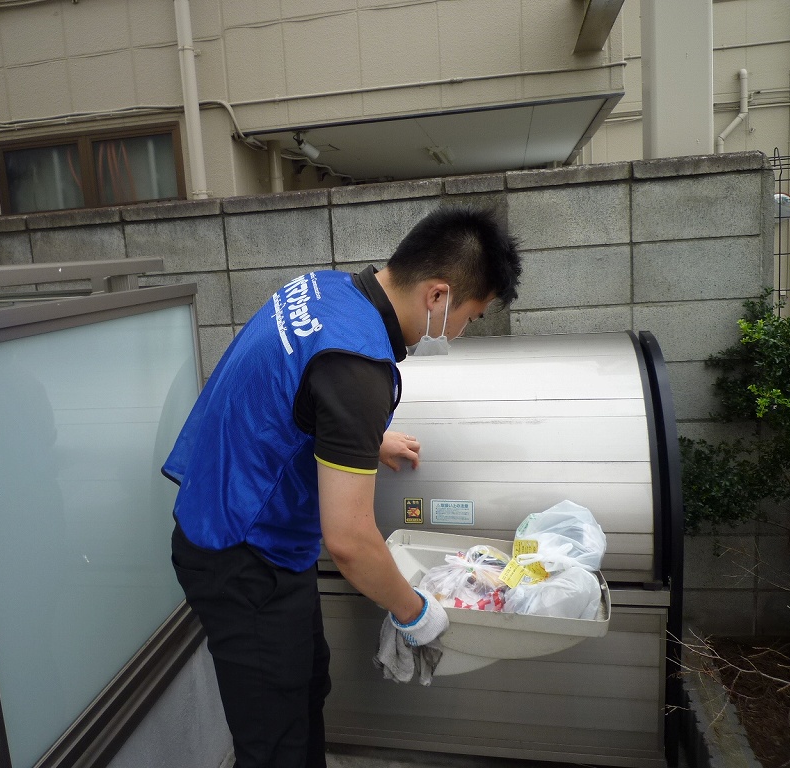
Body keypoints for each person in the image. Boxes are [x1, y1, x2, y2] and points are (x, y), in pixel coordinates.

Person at [162, 205, 522, 768]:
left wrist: (360, 439)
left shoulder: (327, 289)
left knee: (307, 683)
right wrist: (416, 613)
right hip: (242, 553)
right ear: (438, 295)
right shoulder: (356, 370)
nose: (459, 332)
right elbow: (350, 542)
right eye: (470, 317)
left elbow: (292, 389)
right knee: (274, 738)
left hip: (231, 514)